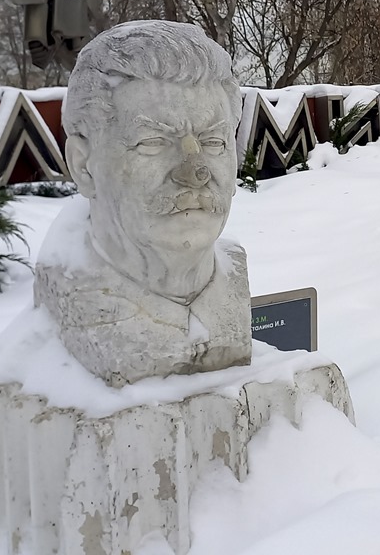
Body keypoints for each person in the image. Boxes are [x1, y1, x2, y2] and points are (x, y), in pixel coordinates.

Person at [35, 20, 252, 387]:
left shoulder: (232, 280)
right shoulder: (66, 307)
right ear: (84, 166)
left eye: (214, 143)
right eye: (153, 142)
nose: (194, 172)